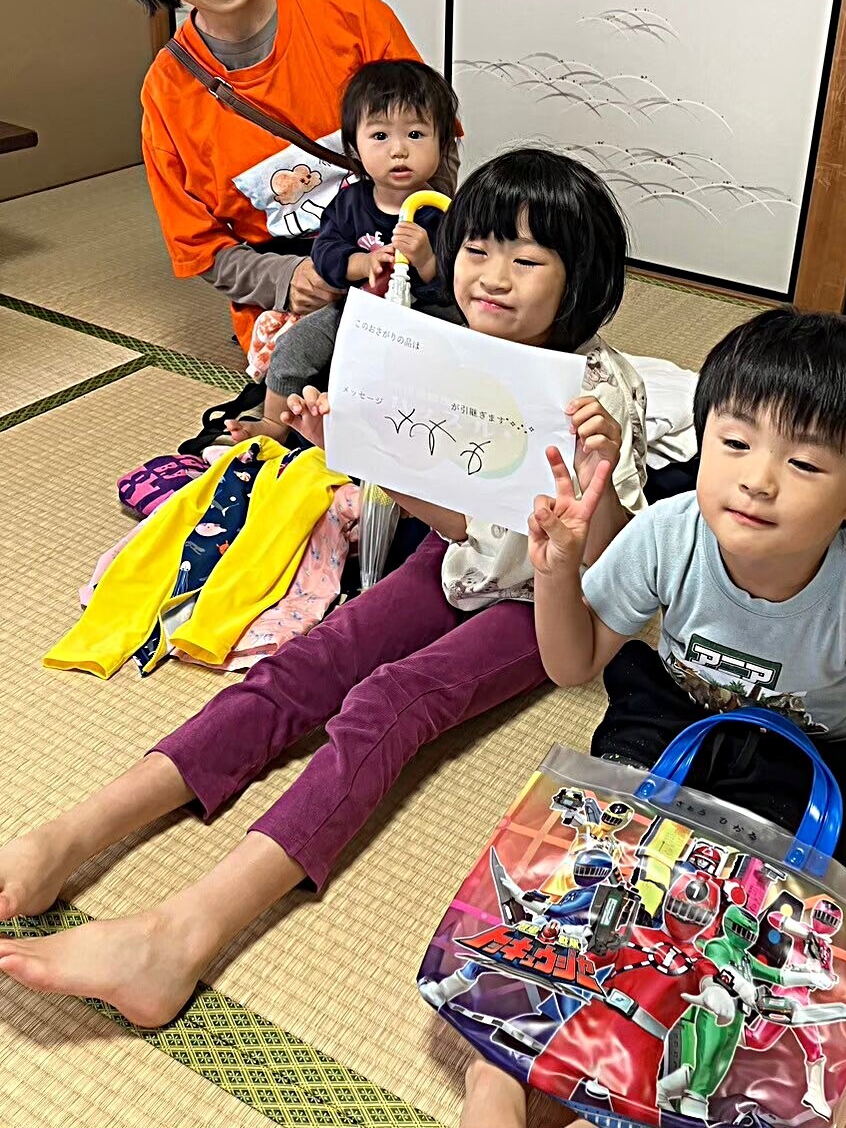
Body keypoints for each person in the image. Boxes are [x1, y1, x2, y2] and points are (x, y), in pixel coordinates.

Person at [0, 150, 647, 1031]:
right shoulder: (457, 354)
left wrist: (598, 477)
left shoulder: (598, 392)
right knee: (310, 661)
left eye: (526, 259)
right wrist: (351, 449)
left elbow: (608, 563)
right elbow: (456, 521)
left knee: (392, 700)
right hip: (457, 559)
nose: (493, 276)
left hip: (541, 601)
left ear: (581, 280)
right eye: (478, 249)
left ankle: (183, 934)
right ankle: (72, 834)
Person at [457, 307, 846, 1127]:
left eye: (802, 462)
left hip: (806, 756)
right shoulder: (668, 533)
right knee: (597, 873)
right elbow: (573, 662)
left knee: (750, 940)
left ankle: (644, 1078)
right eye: (733, 442)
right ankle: (504, 1063)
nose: (758, 478)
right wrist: (556, 575)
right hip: (674, 714)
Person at [77, 0, 457, 356]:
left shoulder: (348, 13)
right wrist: (287, 281)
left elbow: (438, 140)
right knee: (308, 387)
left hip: (403, 262)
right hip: (294, 298)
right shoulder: (168, 94)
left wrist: (418, 243)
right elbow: (201, 247)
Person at [229, 58, 456, 441]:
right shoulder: (351, 202)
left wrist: (428, 261)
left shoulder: (444, 211)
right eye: (380, 136)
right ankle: (273, 423)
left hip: (425, 317)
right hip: (356, 310)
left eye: (416, 134)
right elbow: (326, 254)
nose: (399, 150)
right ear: (355, 147)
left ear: (442, 143)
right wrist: (361, 263)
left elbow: (460, 282)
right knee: (294, 347)